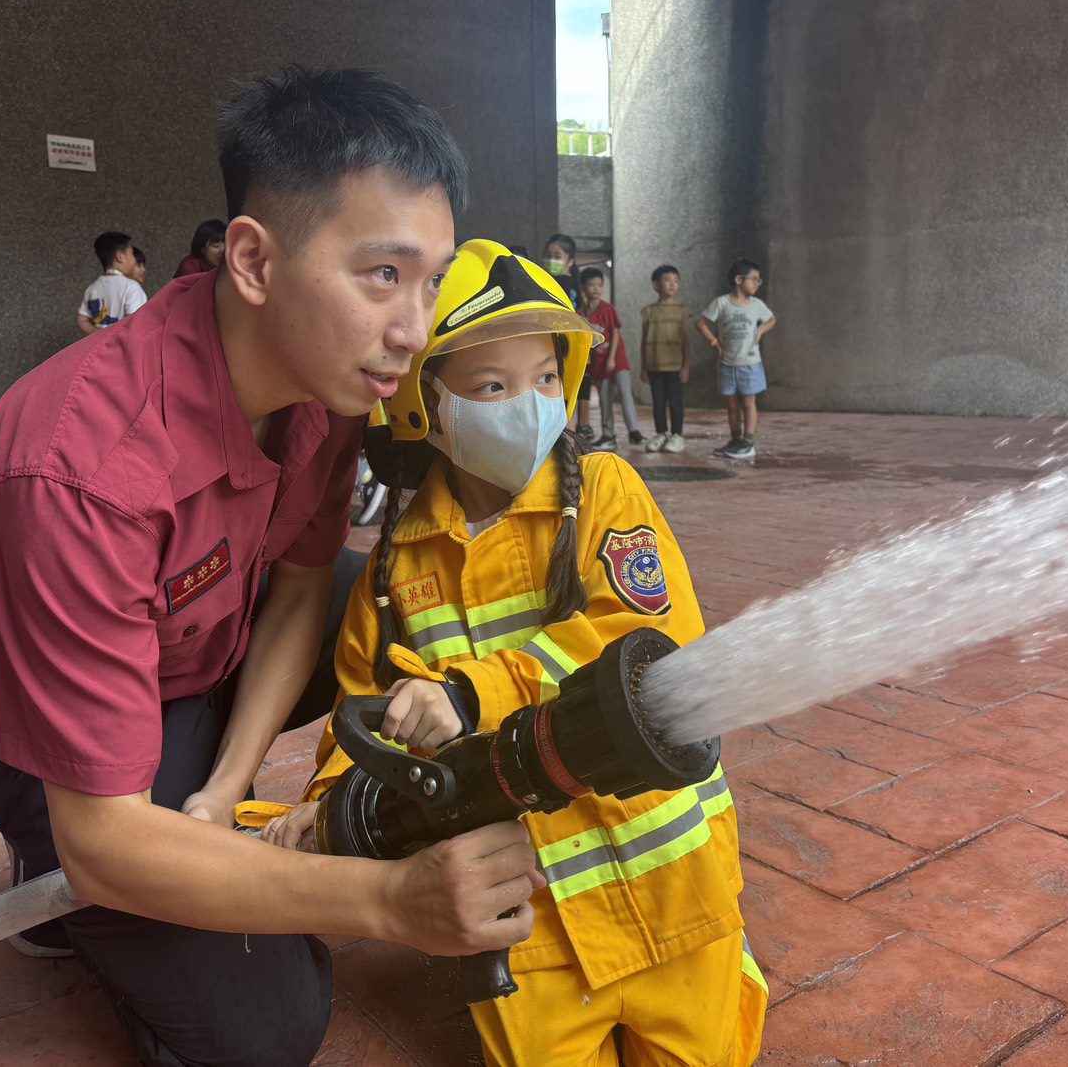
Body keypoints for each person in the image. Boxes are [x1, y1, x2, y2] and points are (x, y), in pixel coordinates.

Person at [0, 68, 541, 1066]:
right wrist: (390, 901)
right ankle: (55, 868)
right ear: (253, 260)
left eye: (430, 281)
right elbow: (110, 838)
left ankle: (164, 830)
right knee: (265, 1029)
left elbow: (298, 586)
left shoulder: (330, 389)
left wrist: (225, 788)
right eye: (381, 275)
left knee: (401, 607)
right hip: (33, 723)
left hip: (209, 643)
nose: (414, 329)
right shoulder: (79, 467)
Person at [263, 240, 767, 1067]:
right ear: (423, 404)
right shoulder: (393, 575)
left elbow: (647, 643)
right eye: (492, 386)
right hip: (523, 933)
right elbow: (359, 726)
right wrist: (329, 813)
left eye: (544, 378)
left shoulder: (603, 494)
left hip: (676, 894)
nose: (527, 405)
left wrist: (471, 694)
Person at [696, 258, 777, 461]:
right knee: (732, 405)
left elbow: (772, 319)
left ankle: (748, 443)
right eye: (754, 279)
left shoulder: (757, 305)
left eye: (759, 280)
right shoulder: (721, 303)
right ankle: (736, 440)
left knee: (749, 403)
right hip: (727, 364)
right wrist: (715, 342)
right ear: (739, 280)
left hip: (749, 364)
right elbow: (701, 324)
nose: (757, 283)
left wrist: (760, 331)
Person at [578, 266, 642, 450]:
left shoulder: (607, 309)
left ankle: (634, 431)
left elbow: (615, 333)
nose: (596, 289)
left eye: (600, 285)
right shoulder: (581, 315)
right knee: (605, 400)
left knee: (624, 392)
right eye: (592, 285)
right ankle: (608, 435)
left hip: (617, 361)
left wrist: (612, 358)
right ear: (584, 288)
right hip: (598, 365)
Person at [540, 233, 592, 439]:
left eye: (557, 256)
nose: (551, 260)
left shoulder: (561, 282)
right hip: (566, 344)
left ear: (570, 261)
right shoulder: (570, 283)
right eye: (547, 255)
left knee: (560, 398)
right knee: (564, 399)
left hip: (561, 345)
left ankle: (566, 443)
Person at [639, 264, 692, 453]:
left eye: (676, 281)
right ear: (656, 285)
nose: (672, 284)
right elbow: (644, 340)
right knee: (658, 403)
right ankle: (661, 433)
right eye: (667, 280)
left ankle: (677, 435)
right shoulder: (648, 311)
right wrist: (643, 367)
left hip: (675, 366)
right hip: (654, 366)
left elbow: (686, 341)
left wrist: (686, 366)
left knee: (676, 403)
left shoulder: (682, 311)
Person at [74, 231, 148, 336]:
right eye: (131, 253)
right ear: (120, 257)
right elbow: (137, 323)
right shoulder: (131, 287)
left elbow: (81, 318)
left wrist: (97, 334)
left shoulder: (92, 288)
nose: (134, 259)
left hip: (99, 345)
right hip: (122, 345)